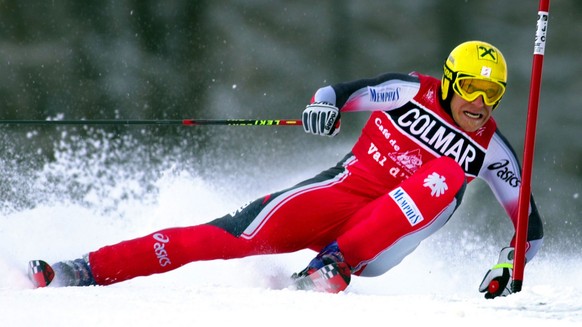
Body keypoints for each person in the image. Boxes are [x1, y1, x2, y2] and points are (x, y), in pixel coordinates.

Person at [29, 40, 543, 299]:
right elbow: (341, 93)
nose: (479, 103)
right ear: (450, 82)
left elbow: (530, 229)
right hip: (340, 194)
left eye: (491, 94)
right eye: (471, 89)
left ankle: (330, 269)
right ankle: (82, 270)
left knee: (451, 173)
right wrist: (322, 106)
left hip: (382, 238)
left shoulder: (492, 150)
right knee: (217, 236)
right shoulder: (412, 91)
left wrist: (509, 268)